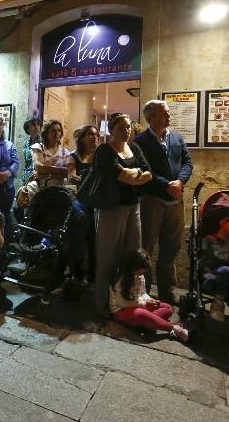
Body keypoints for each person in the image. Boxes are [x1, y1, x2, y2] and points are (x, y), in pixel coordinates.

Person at [134, 100, 193, 304]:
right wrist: (166, 184)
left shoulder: (176, 137)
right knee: (147, 248)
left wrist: (180, 181)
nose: (169, 116)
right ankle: (145, 291)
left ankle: (168, 291)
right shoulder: (140, 141)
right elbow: (144, 168)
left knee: (171, 247)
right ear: (151, 118)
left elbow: (187, 161)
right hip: (152, 199)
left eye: (168, 112)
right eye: (164, 113)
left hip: (176, 200)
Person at [94, 113, 152, 316]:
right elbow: (119, 175)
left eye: (128, 127)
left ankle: (129, 298)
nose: (126, 131)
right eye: (121, 128)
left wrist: (133, 176)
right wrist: (136, 176)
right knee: (107, 256)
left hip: (133, 206)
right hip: (112, 208)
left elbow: (149, 173)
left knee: (132, 254)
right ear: (111, 130)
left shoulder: (135, 148)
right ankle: (102, 303)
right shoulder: (104, 150)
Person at [110, 249, 189, 342]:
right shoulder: (120, 280)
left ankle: (148, 322)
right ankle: (174, 328)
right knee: (141, 313)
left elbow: (143, 293)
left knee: (168, 308)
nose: (141, 275)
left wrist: (150, 300)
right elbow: (122, 303)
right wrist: (142, 304)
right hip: (121, 311)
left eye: (143, 273)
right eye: (139, 273)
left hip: (138, 305)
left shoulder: (140, 277)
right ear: (132, 268)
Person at [71, 125, 100, 282]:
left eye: (96, 134)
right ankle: (78, 274)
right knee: (81, 239)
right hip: (82, 201)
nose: (94, 137)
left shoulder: (101, 156)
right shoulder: (74, 157)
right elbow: (71, 176)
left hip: (97, 202)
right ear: (82, 138)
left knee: (95, 241)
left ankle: (93, 276)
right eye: (90, 134)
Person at [31, 119, 75, 188]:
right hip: (40, 189)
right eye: (53, 131)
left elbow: (69, 171)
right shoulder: (39, 147)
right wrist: (60, 171)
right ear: (46, 133)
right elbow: (38, 166)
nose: (57, 133)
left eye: (59, 130)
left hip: (58, 190)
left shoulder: (65, 152)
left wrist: (45, 174)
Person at [22, 116, 41, 183]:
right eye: (33, 124)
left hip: (38, 178)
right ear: (27, 128)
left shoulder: (43, 143)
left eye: (38, 124)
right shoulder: (26, 144)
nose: (36, 127)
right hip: (27, 177)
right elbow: (27, 163)